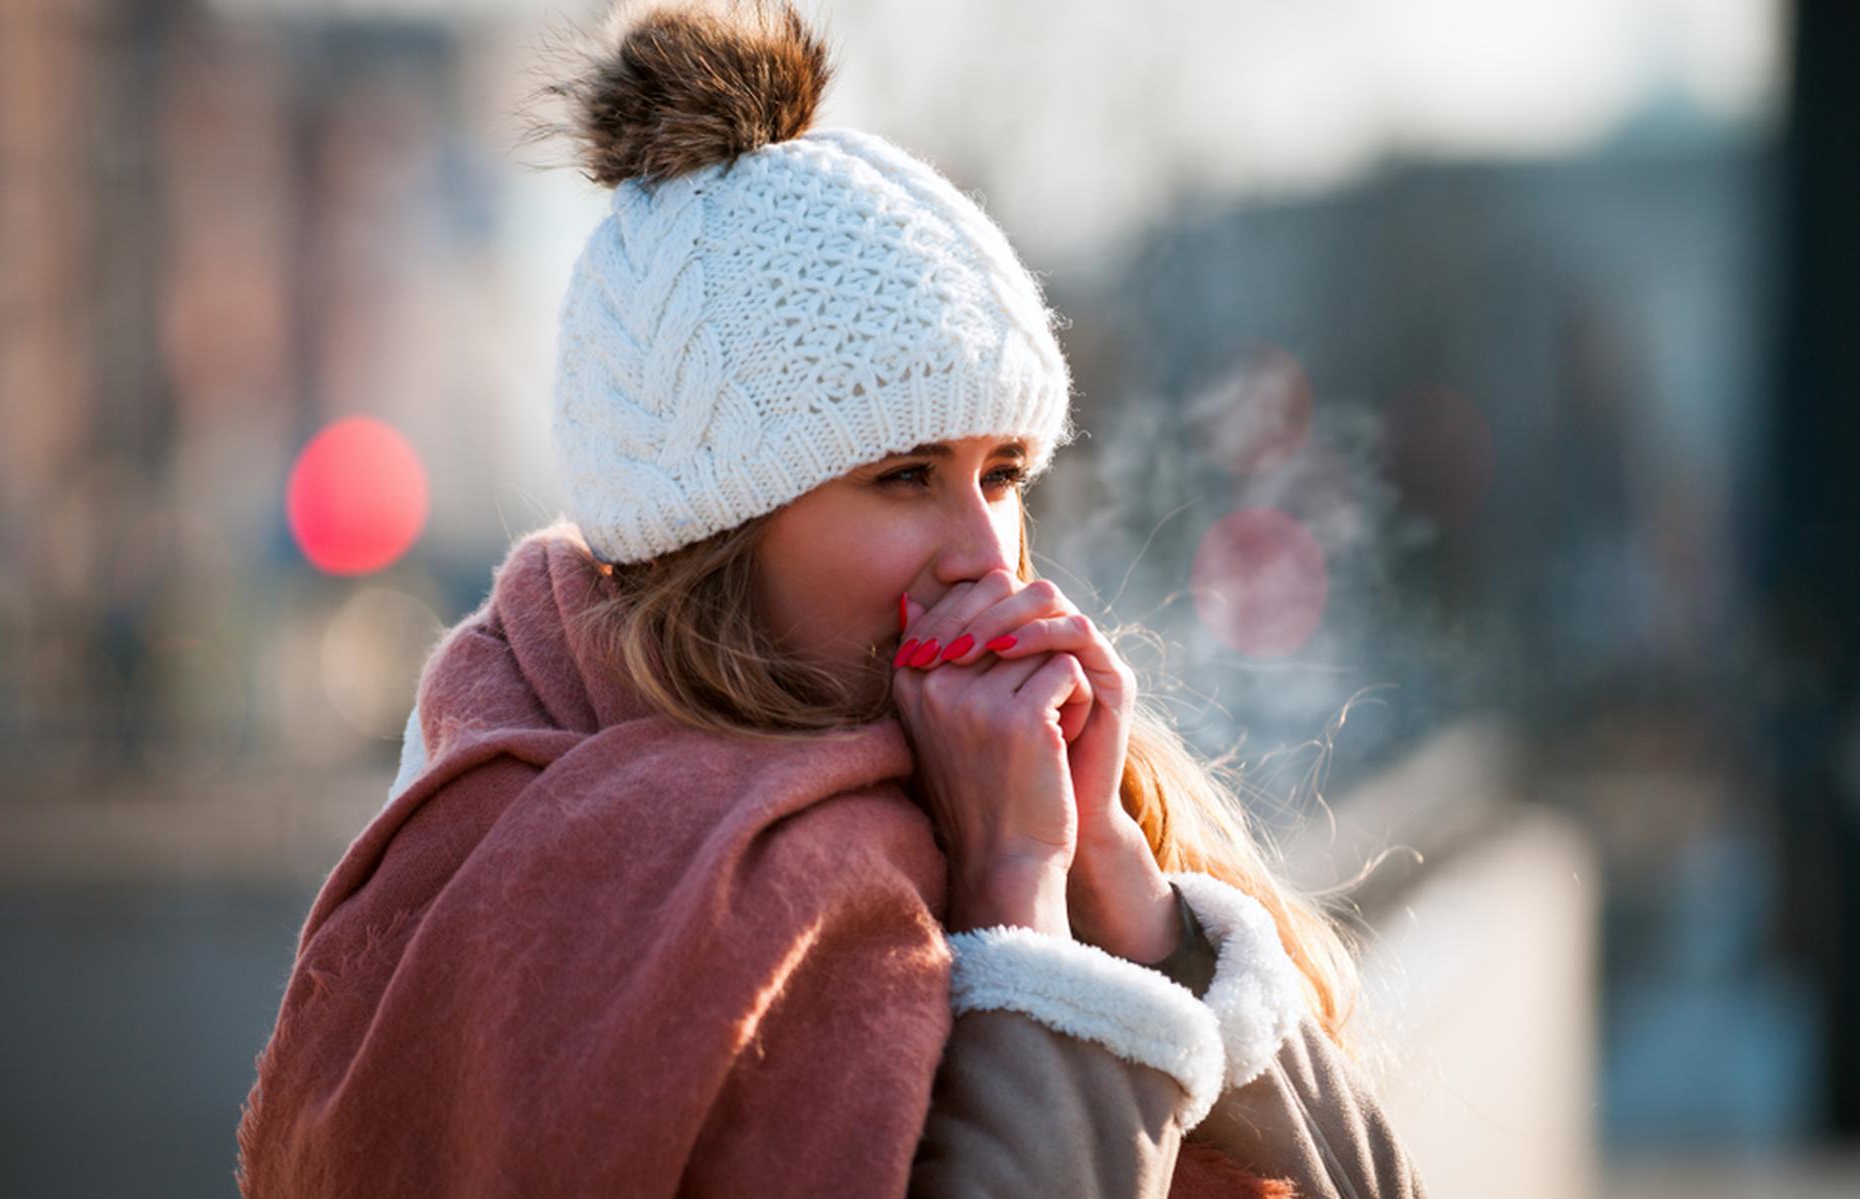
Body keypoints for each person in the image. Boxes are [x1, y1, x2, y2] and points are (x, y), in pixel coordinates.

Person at [236, 2, 1427, 1195]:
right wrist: (1019, 898)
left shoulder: (1068, 793)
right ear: (714, 539)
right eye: (903, 476)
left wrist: (1129, 894)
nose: (986, 554)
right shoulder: (552, 853)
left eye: (1001, 473)